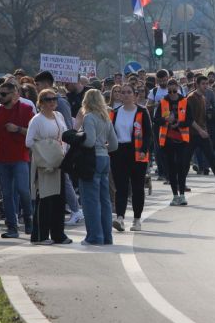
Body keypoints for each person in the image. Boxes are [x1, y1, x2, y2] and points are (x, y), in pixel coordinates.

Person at [0, 81, 34, 238]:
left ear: (14, 94)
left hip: (20, 157)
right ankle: (12, 227)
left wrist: (18, 129)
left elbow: (33, 133)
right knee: (7, 194)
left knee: (23, 190)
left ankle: (29, 218)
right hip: (2, 159)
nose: (0, 97)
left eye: (4, 94)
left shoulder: (26, 110)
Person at [26, 90, 72, 245]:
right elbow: (29, 141)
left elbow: (64, 136)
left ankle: (58, 234)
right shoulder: (36, 120)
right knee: (45, 199)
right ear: (41, 102)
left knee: (59, 199)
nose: (52, 101)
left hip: (58, 160)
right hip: (44, 162)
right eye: (48, 99)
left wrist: (62, 150)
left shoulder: (58, 116)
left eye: (54, 99)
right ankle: (40, 235)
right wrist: (46, 147)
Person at [110, 83, 154, 232]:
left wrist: (144, 150)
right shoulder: (115, 112)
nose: (126, 95)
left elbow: (148, 133)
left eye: (129, 92)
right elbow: (110, 132)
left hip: (137, 152)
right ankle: (120, 218)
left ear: (135, 95)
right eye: (123, 92)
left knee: (137, 187)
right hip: (118, 152)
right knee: (120, 187)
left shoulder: (142, 112)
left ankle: (136, 219)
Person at [78, 89, 118, 245]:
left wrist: (78, 138)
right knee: (104, 199)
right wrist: (103, 148)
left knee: (90, 200)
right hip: (104, 158)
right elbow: (114, 145)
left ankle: (94, 237)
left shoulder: (89, 118)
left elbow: (89, 142)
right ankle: (107, 236)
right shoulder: (106, 118)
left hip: (92, 160)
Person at [155, 79, 191, 206]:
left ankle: (182, 195)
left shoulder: (184, 101)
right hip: (167, 139)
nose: (172, 89)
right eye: (169, 87)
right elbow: (156, 119)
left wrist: (178, 123)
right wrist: (166, 120)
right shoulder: (163, 102)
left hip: (182, 140)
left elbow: (189, 120)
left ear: (177, 87)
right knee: (171, 168)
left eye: (174, 86)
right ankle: (175, 195)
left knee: (181, 167)